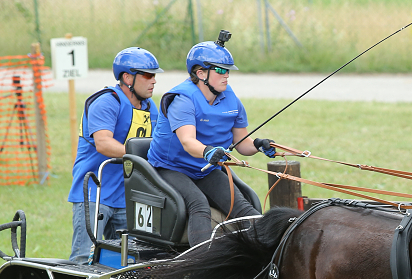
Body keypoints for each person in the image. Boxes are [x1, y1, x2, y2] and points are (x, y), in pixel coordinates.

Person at [147, 30, 276, 246]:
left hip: (205, 169)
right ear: (200, 73)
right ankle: (202, 262)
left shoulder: (231, 99)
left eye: (228, 71)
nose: (227, 75)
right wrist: (208, 151)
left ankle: (266, 256)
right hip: (170, 168)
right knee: (198, 204)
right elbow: (188, 141)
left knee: (243, 207)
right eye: (221, 70)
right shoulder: (183, 99)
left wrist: (258, 145)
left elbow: (242, 142)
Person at [67, 47, 163, 264]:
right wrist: (143, 155)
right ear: (127, 77)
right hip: (94, 191)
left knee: (124, 263)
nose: (154, 81)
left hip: (126, 195)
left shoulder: (150, 108)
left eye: (155, 75)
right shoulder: (107, 101)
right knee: (84, 259)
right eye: (147, 75)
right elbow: (103, 143)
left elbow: (158, 146)